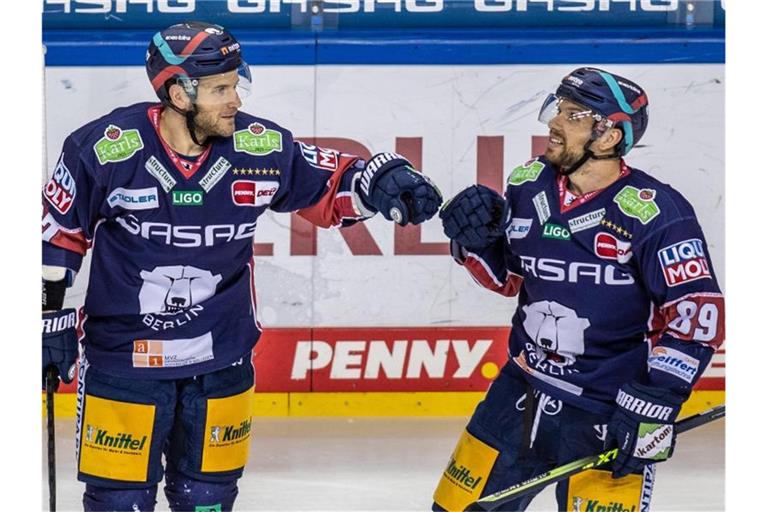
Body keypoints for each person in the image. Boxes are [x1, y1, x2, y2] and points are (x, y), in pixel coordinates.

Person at [41, 21, 442, 512]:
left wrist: (380, 181)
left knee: (207, 500)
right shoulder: (104, 149)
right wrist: (47, 317)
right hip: (124, 361)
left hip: (222, 359)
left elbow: (331, 181)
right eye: (219, 89)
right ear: (176, 93)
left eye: (236, 84)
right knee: (117, 503)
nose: (235, 100)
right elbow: (59, 234)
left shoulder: (259, 148)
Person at [433, 67, 724, 511]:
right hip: (518, 393)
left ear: (608, 136)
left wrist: (655, 398)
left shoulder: (658, 213)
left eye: (572, 115)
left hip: (609, 409)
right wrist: (473, 243)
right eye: (558, 109)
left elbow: (697, 317)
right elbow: (509, 278)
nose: (553, 122)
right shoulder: (528, 185)